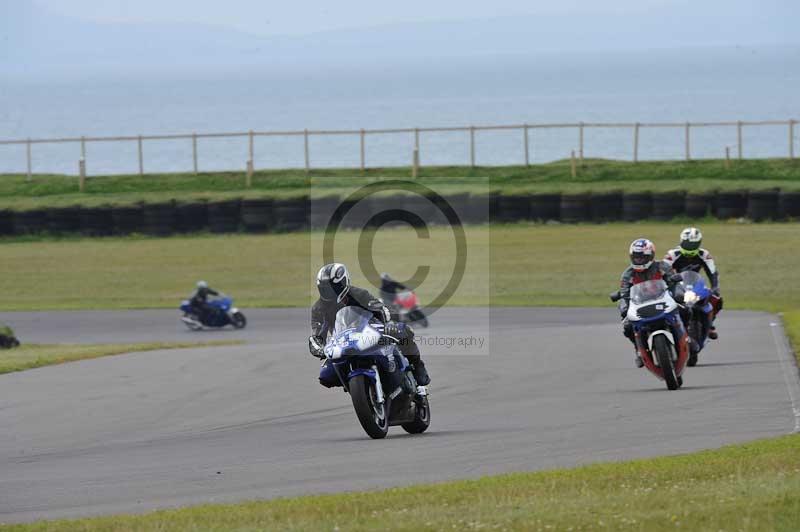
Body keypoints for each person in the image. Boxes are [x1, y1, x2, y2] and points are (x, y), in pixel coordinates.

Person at [308, 263, 430, 387]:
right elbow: (317, 334)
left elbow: (380, 308)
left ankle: (418, 365)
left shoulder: (358, 294)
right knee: (326, 376)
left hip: (368, 331)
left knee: (403, 331)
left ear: (343, 283)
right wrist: (318, 347)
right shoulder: (319, 308)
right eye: (324, 288)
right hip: (343, 342)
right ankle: (358, 388)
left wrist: (386, 316)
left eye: (332, 288)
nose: (329, 292)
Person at [618, 238, 680, 368]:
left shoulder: (662, 266)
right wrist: (625, 307)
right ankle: (639, 350)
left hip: (663, 302)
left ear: (650, 255)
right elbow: (624, 293)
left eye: (642, 257)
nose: (638, 260)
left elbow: (674, 283)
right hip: (641, 306)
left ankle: (686, 337)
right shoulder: (627, 274)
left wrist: (677, 291)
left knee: (685, 309)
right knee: (627, 326)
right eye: (635, 257)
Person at [663, 227, 722, 339]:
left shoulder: (704, 254)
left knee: (716, 298)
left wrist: (715, 287)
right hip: (677, 285)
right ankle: (669, 325)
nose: (690, 247)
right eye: (687, 244)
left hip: (696, 284)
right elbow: (663, 270)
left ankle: (710, 324)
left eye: (693, 245)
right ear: (681, 242)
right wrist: (667, 283)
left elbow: (713, 272)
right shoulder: (672, 254)